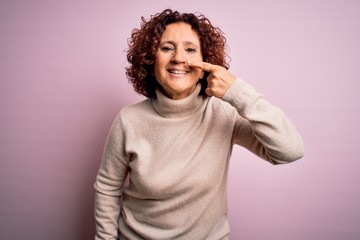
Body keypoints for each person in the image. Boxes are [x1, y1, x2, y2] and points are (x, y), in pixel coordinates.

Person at [94, 9, 304, 240]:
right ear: (150, 59)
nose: (179, 58)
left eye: (190, 49)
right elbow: (107, 189)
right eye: (166, 48)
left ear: (206, 61)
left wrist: (237, 91)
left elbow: (289, 151)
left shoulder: (223, 112)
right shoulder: (129, 120)